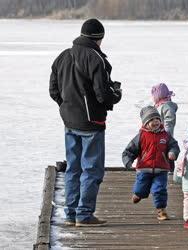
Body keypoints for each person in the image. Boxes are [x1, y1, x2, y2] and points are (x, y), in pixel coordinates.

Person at [49, 18, 122, 226]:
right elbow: (103, 95)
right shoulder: (96, 59)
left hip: (70, 121)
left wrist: (66, 106)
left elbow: (53, 89)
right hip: (92, 123)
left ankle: (71, 213)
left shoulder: (63, 56)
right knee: (91, 169)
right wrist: (116, 94)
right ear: (99, 38)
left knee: (73, 167)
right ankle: (84, 215)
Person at [122, 106, 180, 221]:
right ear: (145, 123)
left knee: (159, 190)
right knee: (140, 190)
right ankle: (138, 194)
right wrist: (129, 162)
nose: (156, 122)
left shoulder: (165, 135)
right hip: (144, 168)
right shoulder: (141, 136)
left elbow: (174, 146)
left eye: (157, 119)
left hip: (161, 169)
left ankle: (161, 210)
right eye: (152, 120)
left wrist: (172, 152)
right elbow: (128, 151)